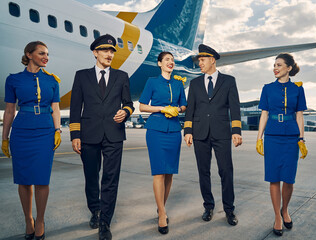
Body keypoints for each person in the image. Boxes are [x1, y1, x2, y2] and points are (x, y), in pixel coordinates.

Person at [69, 34, 134, 240]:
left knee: (110, 179)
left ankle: (105, 222)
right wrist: (75, 135)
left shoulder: (122, 76)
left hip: (114, 134)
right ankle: (95, 210)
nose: (109, 54)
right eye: (105, 50)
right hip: (89, 134)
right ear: (95, 53)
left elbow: (129, 103)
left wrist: (126, 111)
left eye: (112, 51)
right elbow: (75, 107)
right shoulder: (81, 76)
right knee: (91, 177)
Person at [1, 41, 61, 240]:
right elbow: (10, 110)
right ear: (29, 54)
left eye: (47, 53)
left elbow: (56, 108)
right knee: (24, 180)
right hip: (22, 131)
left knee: (42, 179)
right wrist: (5, 138)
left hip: (45, 131)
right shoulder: (13, 80)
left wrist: (57, 130)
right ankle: (28, 220)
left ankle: (41, 220)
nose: (46, 57)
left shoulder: (53, 81)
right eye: (41, 53)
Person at [184, 44, 242, 226]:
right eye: (199, 60)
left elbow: (235, 108)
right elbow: (190, 109)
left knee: (225, 171)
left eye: (202, 60)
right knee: (203, 172)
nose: (199, 63)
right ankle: (208, 206)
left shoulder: (229, 81)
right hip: (200, 133)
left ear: (212, 60)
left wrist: (236, 131)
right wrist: (188, 131)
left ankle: (229, 209)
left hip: (222, 132)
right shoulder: (194, 83)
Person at [256, 53, 308, 236]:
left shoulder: (298, 89)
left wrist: (301, 139)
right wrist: (259, 137)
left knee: (288, 178)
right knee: (274, 177)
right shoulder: (267, 89)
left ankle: (285, 210)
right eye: (274, 65)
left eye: (279, 65)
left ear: (289, 68)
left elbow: (300, 115)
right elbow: (264, 114)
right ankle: (277, 217)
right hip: (272, 136)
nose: (275, 68)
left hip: (291, 136)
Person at [139, 52, 187, 234]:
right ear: (159, 63)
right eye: (167, 60)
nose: (171, 62)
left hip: (174, 130)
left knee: (169, 174)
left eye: (172, 60)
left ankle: (161, 207)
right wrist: (161, 108)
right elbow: (142, 106)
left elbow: (185, 105)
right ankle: (162, 214)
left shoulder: (178, 83)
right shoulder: (152, 81)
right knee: (159, 172)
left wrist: (177, 109)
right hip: (156, 130)